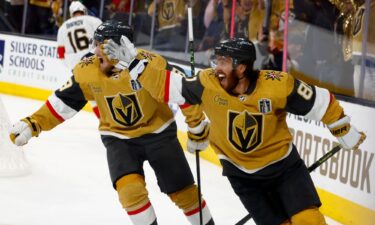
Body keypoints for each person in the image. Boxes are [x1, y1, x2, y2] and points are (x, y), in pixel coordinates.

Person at [103, 37, 367, 225]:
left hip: (285, 169)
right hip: (243, 177)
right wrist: (138, 65)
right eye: (217, 60)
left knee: (309, 221)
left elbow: (319, 101)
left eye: (224, 62)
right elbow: (168, 87)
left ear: (242, 67)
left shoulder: (276, 86)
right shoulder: (208, 83)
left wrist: (340, 126)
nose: (217, 68)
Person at [9, 20, 214, 225]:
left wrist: (196, 127)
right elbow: (62, 103)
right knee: (130, 192)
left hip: (159, 134)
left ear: (122, 46)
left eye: (102, 44)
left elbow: (184, 92)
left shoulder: (153, 64)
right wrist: (33, 123)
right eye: (95, 43)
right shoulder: (87, 69)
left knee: (185, 193)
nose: (95, 50)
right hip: (118, 139)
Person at [57, 1, 102, 70]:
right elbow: (103, 41)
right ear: (84, 10)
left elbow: (60, 52)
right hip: (92, 62)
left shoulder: (62, 27)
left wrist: (69, 65)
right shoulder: (94, 21)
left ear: (71, 13)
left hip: (74, 66)